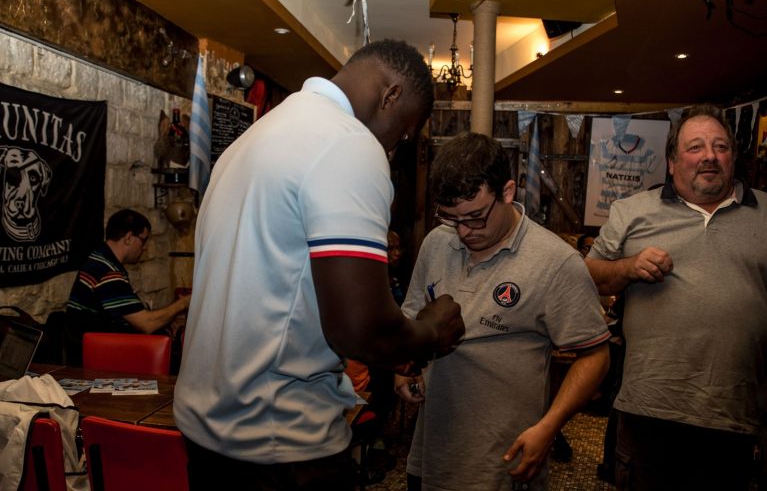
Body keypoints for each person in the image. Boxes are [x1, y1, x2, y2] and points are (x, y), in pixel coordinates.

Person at [173, 39, 465, 491]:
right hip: (279, 445)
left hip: (206, 436)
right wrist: (429, 331)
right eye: (405, 130)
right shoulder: (348, 144)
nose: (397, 145)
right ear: (390, 96)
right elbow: (358, 328)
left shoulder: (253, 138)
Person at [395, 132, 610, 491]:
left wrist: (549, 428)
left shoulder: (556, 262)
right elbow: (411, 313)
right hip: (431, 453)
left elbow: (595, 355)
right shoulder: (437, 242)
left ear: (508, 192)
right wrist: (402, 369)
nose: (463, 231)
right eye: (452, 218)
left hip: (503, 464)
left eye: (476, 217)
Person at [585, 104, 767, 491]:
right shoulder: (632, 211)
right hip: (650, 408)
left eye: (720, 147)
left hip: (734, 413)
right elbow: (589, 275)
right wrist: (628, 267)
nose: (709, 157)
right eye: (695, 147)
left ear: (733, 158)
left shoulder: (764, 214)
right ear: (671, 162)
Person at [66, 208, 190, 335]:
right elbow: (146, 324)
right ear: (129, 238)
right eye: (144, 240)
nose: (145, 248)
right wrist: (183, 304)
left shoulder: (100, 258)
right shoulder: (107, 272)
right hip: (96, 351)